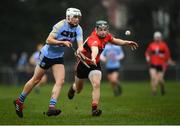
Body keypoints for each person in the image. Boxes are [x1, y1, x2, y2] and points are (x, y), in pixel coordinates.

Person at [13, 7, 84, 118]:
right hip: (46, 55)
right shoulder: (60, 25)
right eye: (75, 17)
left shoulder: (78, 29)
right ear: (68, 16)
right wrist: (63, 42)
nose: (77, 19)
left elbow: (80, 45)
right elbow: (48, 40)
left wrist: (79, 51)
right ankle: (19, 101)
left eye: (78, 17)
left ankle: (51, 108)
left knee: (60, 81)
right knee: (36, 80)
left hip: (58, 57)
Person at [68, 20, 138, 116]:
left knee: (96, 84)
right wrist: (93, 57)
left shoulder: (107, 36)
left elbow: (115, 41)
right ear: (96, 29)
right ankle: (73, 88)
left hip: (95, 64)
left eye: (105, 30)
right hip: (83, 64)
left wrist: (127, 42)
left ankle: (94, 109)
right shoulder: (93, 39)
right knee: (79, 89)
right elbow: (94, 49)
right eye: (101, 30)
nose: (103, 32)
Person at [145, 31, 175, 96]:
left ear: (161, 38)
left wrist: (169, 61)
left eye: (158, 37)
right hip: (153, 64)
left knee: (160, 80)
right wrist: (147, 57)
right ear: (154, 38)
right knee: (153, 78)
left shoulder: (164, 45)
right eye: (156, 37)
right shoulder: (151, 45)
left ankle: (162, 88)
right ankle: (154, 91)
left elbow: (167, 55)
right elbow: (147, 52)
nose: (157, 38)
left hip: (161, 65)